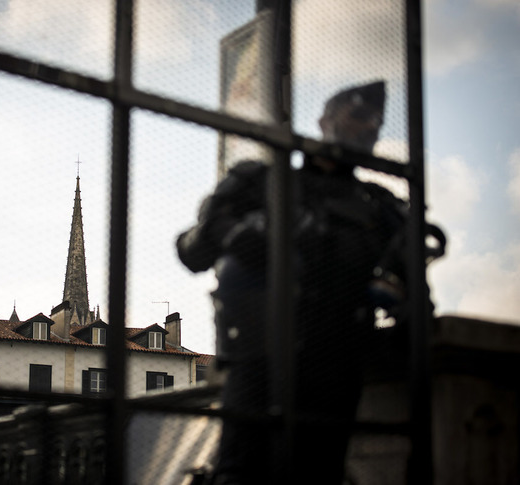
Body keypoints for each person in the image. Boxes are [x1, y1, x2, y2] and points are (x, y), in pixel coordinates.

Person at [177, 81, 443, 484]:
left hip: (335, 363)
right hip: (259, 357)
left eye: (375, 121)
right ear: (324, 120)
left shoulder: (379, 207)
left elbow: (415, 296)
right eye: (356, 115)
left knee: (318, 474)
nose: (368, 127)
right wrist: (238, 235)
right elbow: (192, 250)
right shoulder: (264, 183)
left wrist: (407, 311)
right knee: (241, 472)